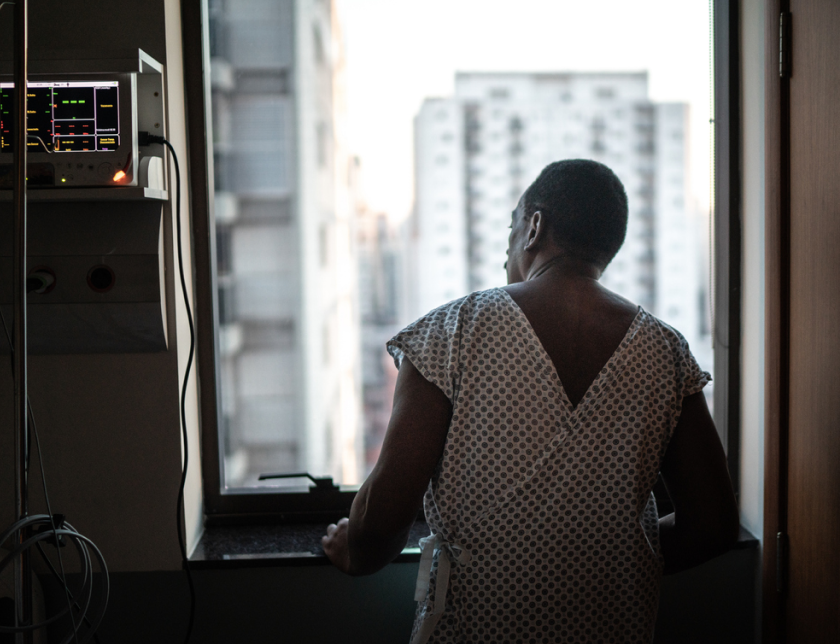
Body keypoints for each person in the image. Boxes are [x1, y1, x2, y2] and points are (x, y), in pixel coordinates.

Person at [322, 159, 739, 643]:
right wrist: (604, 560)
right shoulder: (665, 351)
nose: (505, 255)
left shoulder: (452, 332)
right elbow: (712, 524)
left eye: (510, 229)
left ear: (534, 226)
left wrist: (352, 548)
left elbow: (383, 521)